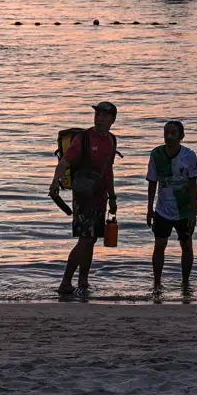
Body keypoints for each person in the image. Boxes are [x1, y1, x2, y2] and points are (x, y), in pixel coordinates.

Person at [49, 101, 118, 295]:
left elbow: (109, 171)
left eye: (104, 115)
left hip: (100, 198)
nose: (99, 118)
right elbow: (64, 162)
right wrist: (55, 181)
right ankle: (65, 283)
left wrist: (112, 198)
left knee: (92, 239)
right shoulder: (83, 139)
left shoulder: (112, 140)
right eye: (97, 114)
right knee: (85, 240)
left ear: (113, 119)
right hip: (82, 197)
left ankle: (84, 282)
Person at [146, 120, 197, 289]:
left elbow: (193, 185)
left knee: (186, 244)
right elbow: (152, 183)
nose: (169, 137)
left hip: (184, 209)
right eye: (166, 133)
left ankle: (185, 282)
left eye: (173, 133)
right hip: (162, 209)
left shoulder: (189, 156)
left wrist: (193, 211)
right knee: (160, 245)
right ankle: (157, 283)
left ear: (181, 136)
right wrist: (149, 209)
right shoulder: (156, 155)